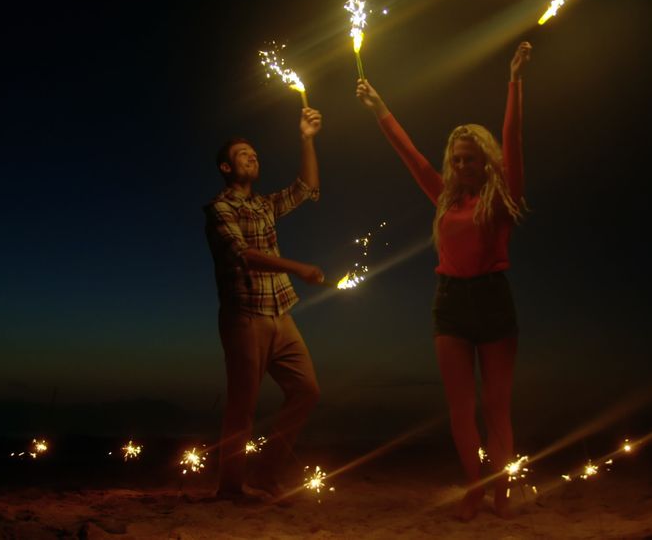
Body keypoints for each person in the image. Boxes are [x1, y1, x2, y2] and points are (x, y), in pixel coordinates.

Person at [355, 41, 532, 521]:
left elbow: (512, 136)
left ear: (486, 161)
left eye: (469, 159)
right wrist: (380, 108)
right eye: (455, 159)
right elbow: (410, 155)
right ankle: (473, 488)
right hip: (449, 303)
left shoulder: (504, 199)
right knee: (460, 407)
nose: (459, 167)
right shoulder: (443, 198)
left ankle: (500, 491)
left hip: (494, 302)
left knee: (497, 406)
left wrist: (514, 79)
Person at [202, 107, 325, 504]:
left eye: (254, 152)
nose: (252, 156)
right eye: (242, 154)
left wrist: (306, 137)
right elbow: (243, 253)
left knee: (306, 390)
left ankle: (267, 472)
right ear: (226, 167)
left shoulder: (265, 205)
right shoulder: (220, 208)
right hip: (244, 317)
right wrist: (299, 267)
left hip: (281, 313)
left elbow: (306, 187)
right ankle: (231, 487)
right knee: (243, 406)